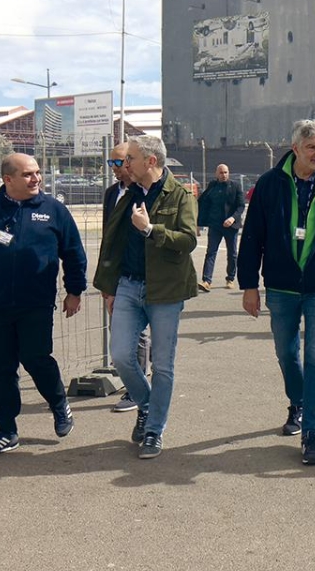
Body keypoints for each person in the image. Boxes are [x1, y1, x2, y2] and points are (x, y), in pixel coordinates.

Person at [0, 153, 87, 459]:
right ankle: (6, 430)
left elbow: (73, 252)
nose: (36, 179)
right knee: (2, 369)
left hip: (36, 303)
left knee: (36, 358)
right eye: (28, 174)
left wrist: (75, 290)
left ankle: (59, 403)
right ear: (8, 179)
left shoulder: (54, 211)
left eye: (37, 173)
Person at [237, 119, 315, 466]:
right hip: (280, 285)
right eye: (313, 147)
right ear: (296, 149)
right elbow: (252, 238)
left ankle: (312, 434)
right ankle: (298, 401)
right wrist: (249, 285)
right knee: (286, 351)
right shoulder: (270, 184)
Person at [93, 135, 199, 460]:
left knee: (163, 365)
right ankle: (148, 405)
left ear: (150, 161)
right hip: (127, 285)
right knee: (122, 356)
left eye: (131, 159)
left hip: (165, 290)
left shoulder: (180, 195)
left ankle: (154, 430)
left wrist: (151, 229)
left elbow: (189, 239)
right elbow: (111, 242)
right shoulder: (124, 194)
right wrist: (108, 287)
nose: (126, 165)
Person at [103, 144, 150, 413]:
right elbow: (109, 238)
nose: (118, 168)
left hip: (142, 275)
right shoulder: (112, 194)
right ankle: (138, 383)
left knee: (139, 334)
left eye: (121, 161)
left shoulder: (145, 192)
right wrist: (106, 284)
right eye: (113, 163)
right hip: (118, 274)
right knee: (120, 337)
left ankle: (137, 391)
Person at [197, 163, 245, 292]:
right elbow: (203, 202)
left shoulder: (235, 186)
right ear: (216, 174)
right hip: (215, 225)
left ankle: (230, 278)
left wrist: (232, 218)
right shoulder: (212, 186)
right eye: (221, 172)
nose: (223, 175)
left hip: (231, 225)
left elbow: (241, 206)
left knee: (232, 253)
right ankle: (206, 281)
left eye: (225, 172)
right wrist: (198, 222)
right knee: (211, 252)